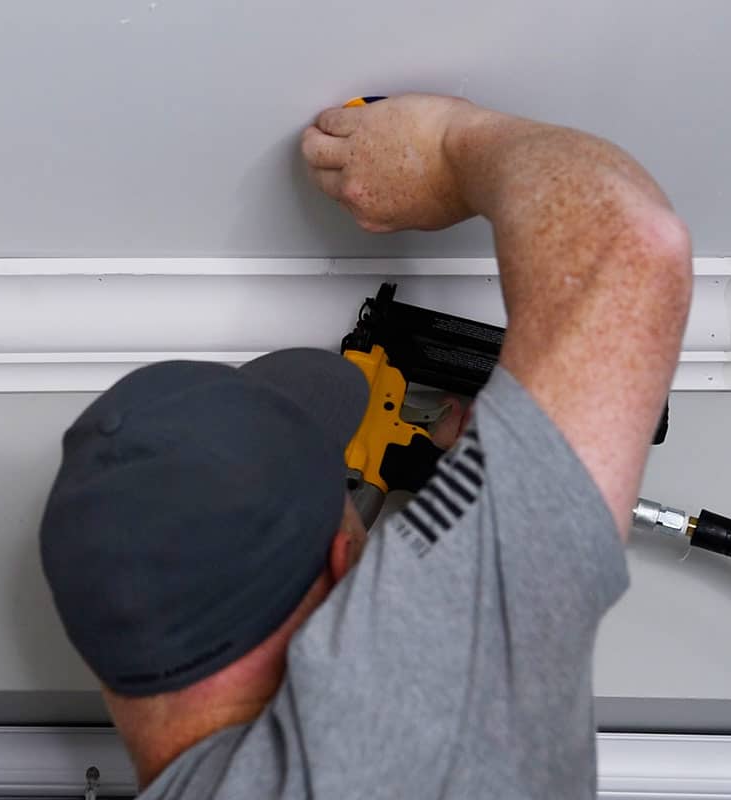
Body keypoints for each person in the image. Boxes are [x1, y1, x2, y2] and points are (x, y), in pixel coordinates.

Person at [40, 93, 692, 798]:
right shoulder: (372, 732)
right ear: (344, 560)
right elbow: (631, 242)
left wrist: (488, 485)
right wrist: (447, 147)